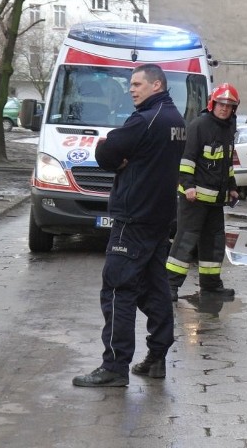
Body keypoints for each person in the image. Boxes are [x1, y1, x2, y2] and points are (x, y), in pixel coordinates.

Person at [73, 64, 186, 387]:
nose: (132, 89)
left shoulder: (145, 120)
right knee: (155, 289)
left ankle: (114, 367)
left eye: (137, 84)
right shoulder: (176, 120)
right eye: (131, 84)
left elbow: (107, 152)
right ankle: (157, 357)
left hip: (133, 218)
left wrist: (109, 146)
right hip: (159, 219)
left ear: (157, 85)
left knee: (117, 290)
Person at [166, 83, 240, 300]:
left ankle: (211, 286)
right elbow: (186, 160)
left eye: (229, 105)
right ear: (212, 104)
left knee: (214, 243)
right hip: (194, 199)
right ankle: (170, 286)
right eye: (221, 104)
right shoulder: (199, 126)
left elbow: (226, 164)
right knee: (185, 242)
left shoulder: (228, 129)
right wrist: (188, 187)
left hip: (216, 201)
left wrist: (233, 187)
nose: (224, 109)